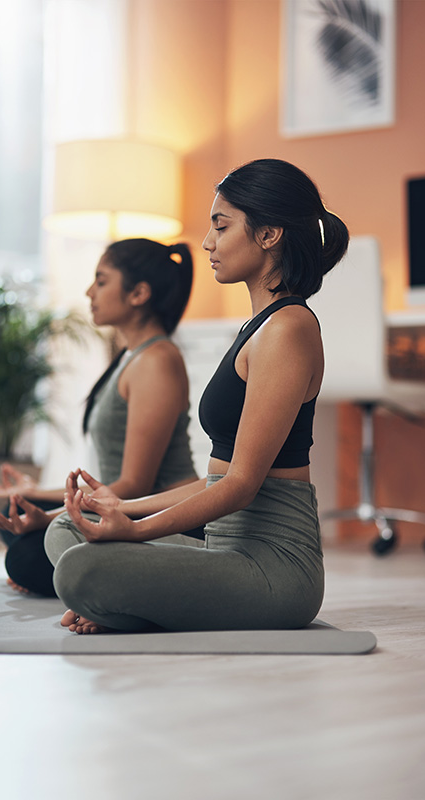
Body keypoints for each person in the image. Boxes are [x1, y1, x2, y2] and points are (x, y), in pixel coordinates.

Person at [44, 157, 350, 634]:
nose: (207, 241)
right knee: (66, 530)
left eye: (221, 226)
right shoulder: (259, 327)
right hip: (223, 548)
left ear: (269, 235)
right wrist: (119, 508)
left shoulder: (288, 329)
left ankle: (118, 601)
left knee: (82, 570)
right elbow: (216, 479)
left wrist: (135, 531)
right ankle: (124, 603)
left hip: (274, 570)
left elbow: (241, 485)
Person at [0, 238, 201, 596]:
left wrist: (52, 517)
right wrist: (35, 494)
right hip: (124, 506)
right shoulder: (131, 357)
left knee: (25, 558)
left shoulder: (157, 361)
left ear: (139, 293)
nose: (89, 292)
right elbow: (113, 487)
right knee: (19, 513)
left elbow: (135, 484)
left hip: (163, 518)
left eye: (101, 281)